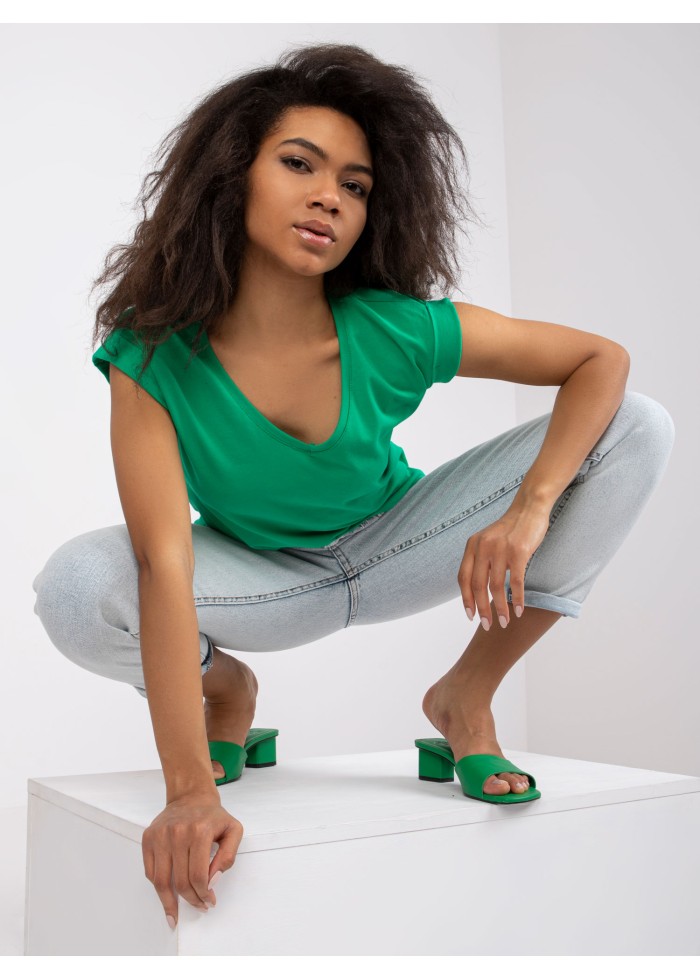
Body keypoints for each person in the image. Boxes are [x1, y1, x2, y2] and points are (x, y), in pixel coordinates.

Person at [32, 42, 675, 930]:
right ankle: (227, 690)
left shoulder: (393, 329)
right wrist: (187, 791)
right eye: (299, 164)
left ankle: (465, 696)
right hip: (264, 582)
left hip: (403, 545)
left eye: (356, 184)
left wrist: (528, 512)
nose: (330, 196)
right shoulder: (152, 352)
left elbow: (600, 359)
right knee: (74, 589)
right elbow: (163, 561)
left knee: (638, 425)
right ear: (232, 176)